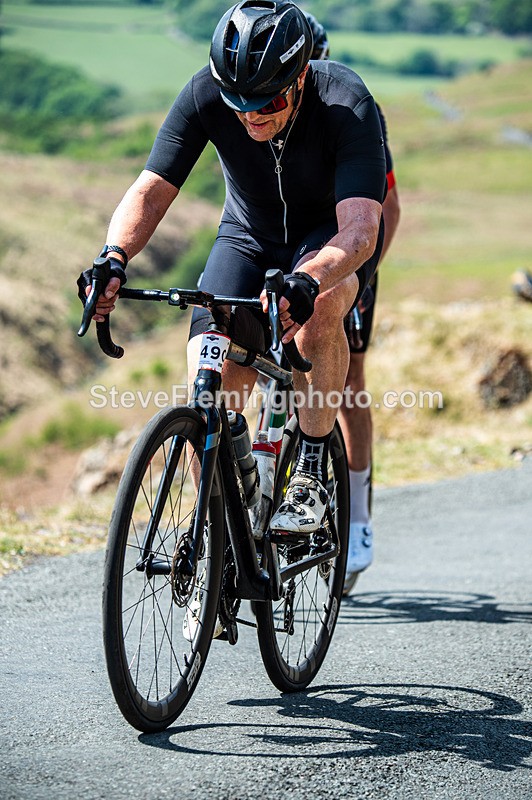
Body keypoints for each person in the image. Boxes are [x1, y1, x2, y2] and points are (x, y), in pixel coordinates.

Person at [79, 0, 387, 540]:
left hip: (324, 240)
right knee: (212, 380)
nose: (249, 115)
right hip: (247, 237)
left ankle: (311, 467)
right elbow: (152, 189)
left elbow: (361, 230)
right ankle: (217, 541)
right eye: (237, 101)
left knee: (321, 311)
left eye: (265, 101)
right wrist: (113, 257)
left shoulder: (346, 101)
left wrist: (310, 280)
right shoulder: (203, 92)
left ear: (300, 76)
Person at [304, 12, 401, 588]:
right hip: (291, 244)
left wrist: (363, 276)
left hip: (350, 251)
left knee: (350, 380)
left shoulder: (352, 108)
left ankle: (359, 515)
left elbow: (389, 204)